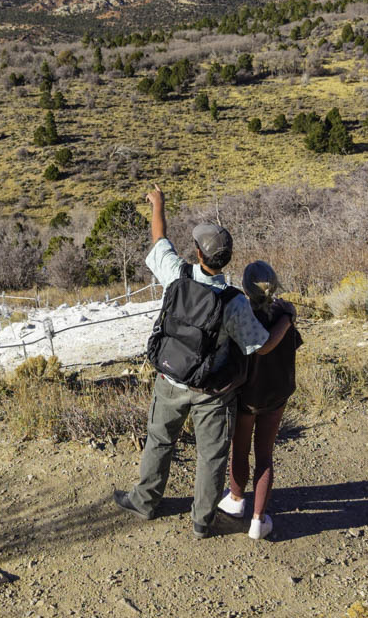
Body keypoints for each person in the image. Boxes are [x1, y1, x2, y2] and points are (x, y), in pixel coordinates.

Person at [114, 187, 291, 538]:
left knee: (159, 440)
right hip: (213, 391)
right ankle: (202, 519)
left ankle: (146, 501)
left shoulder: (176, 275)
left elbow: (158, 237)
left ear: (197, 253)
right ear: (227, 260)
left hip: (171, 379)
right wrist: (286, 320)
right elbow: (262, 346)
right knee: (211, 456)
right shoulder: (235, 302)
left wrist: (158, 204)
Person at [219, 260, 301, 540]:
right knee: (265, 455)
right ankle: (259, 519)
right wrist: (287, 316)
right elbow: (292, 345)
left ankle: (236, 499)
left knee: (239, 451)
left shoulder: (241, 316)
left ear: (245, 286)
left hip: (246, 398)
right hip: (276, 394)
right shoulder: (283, 315)